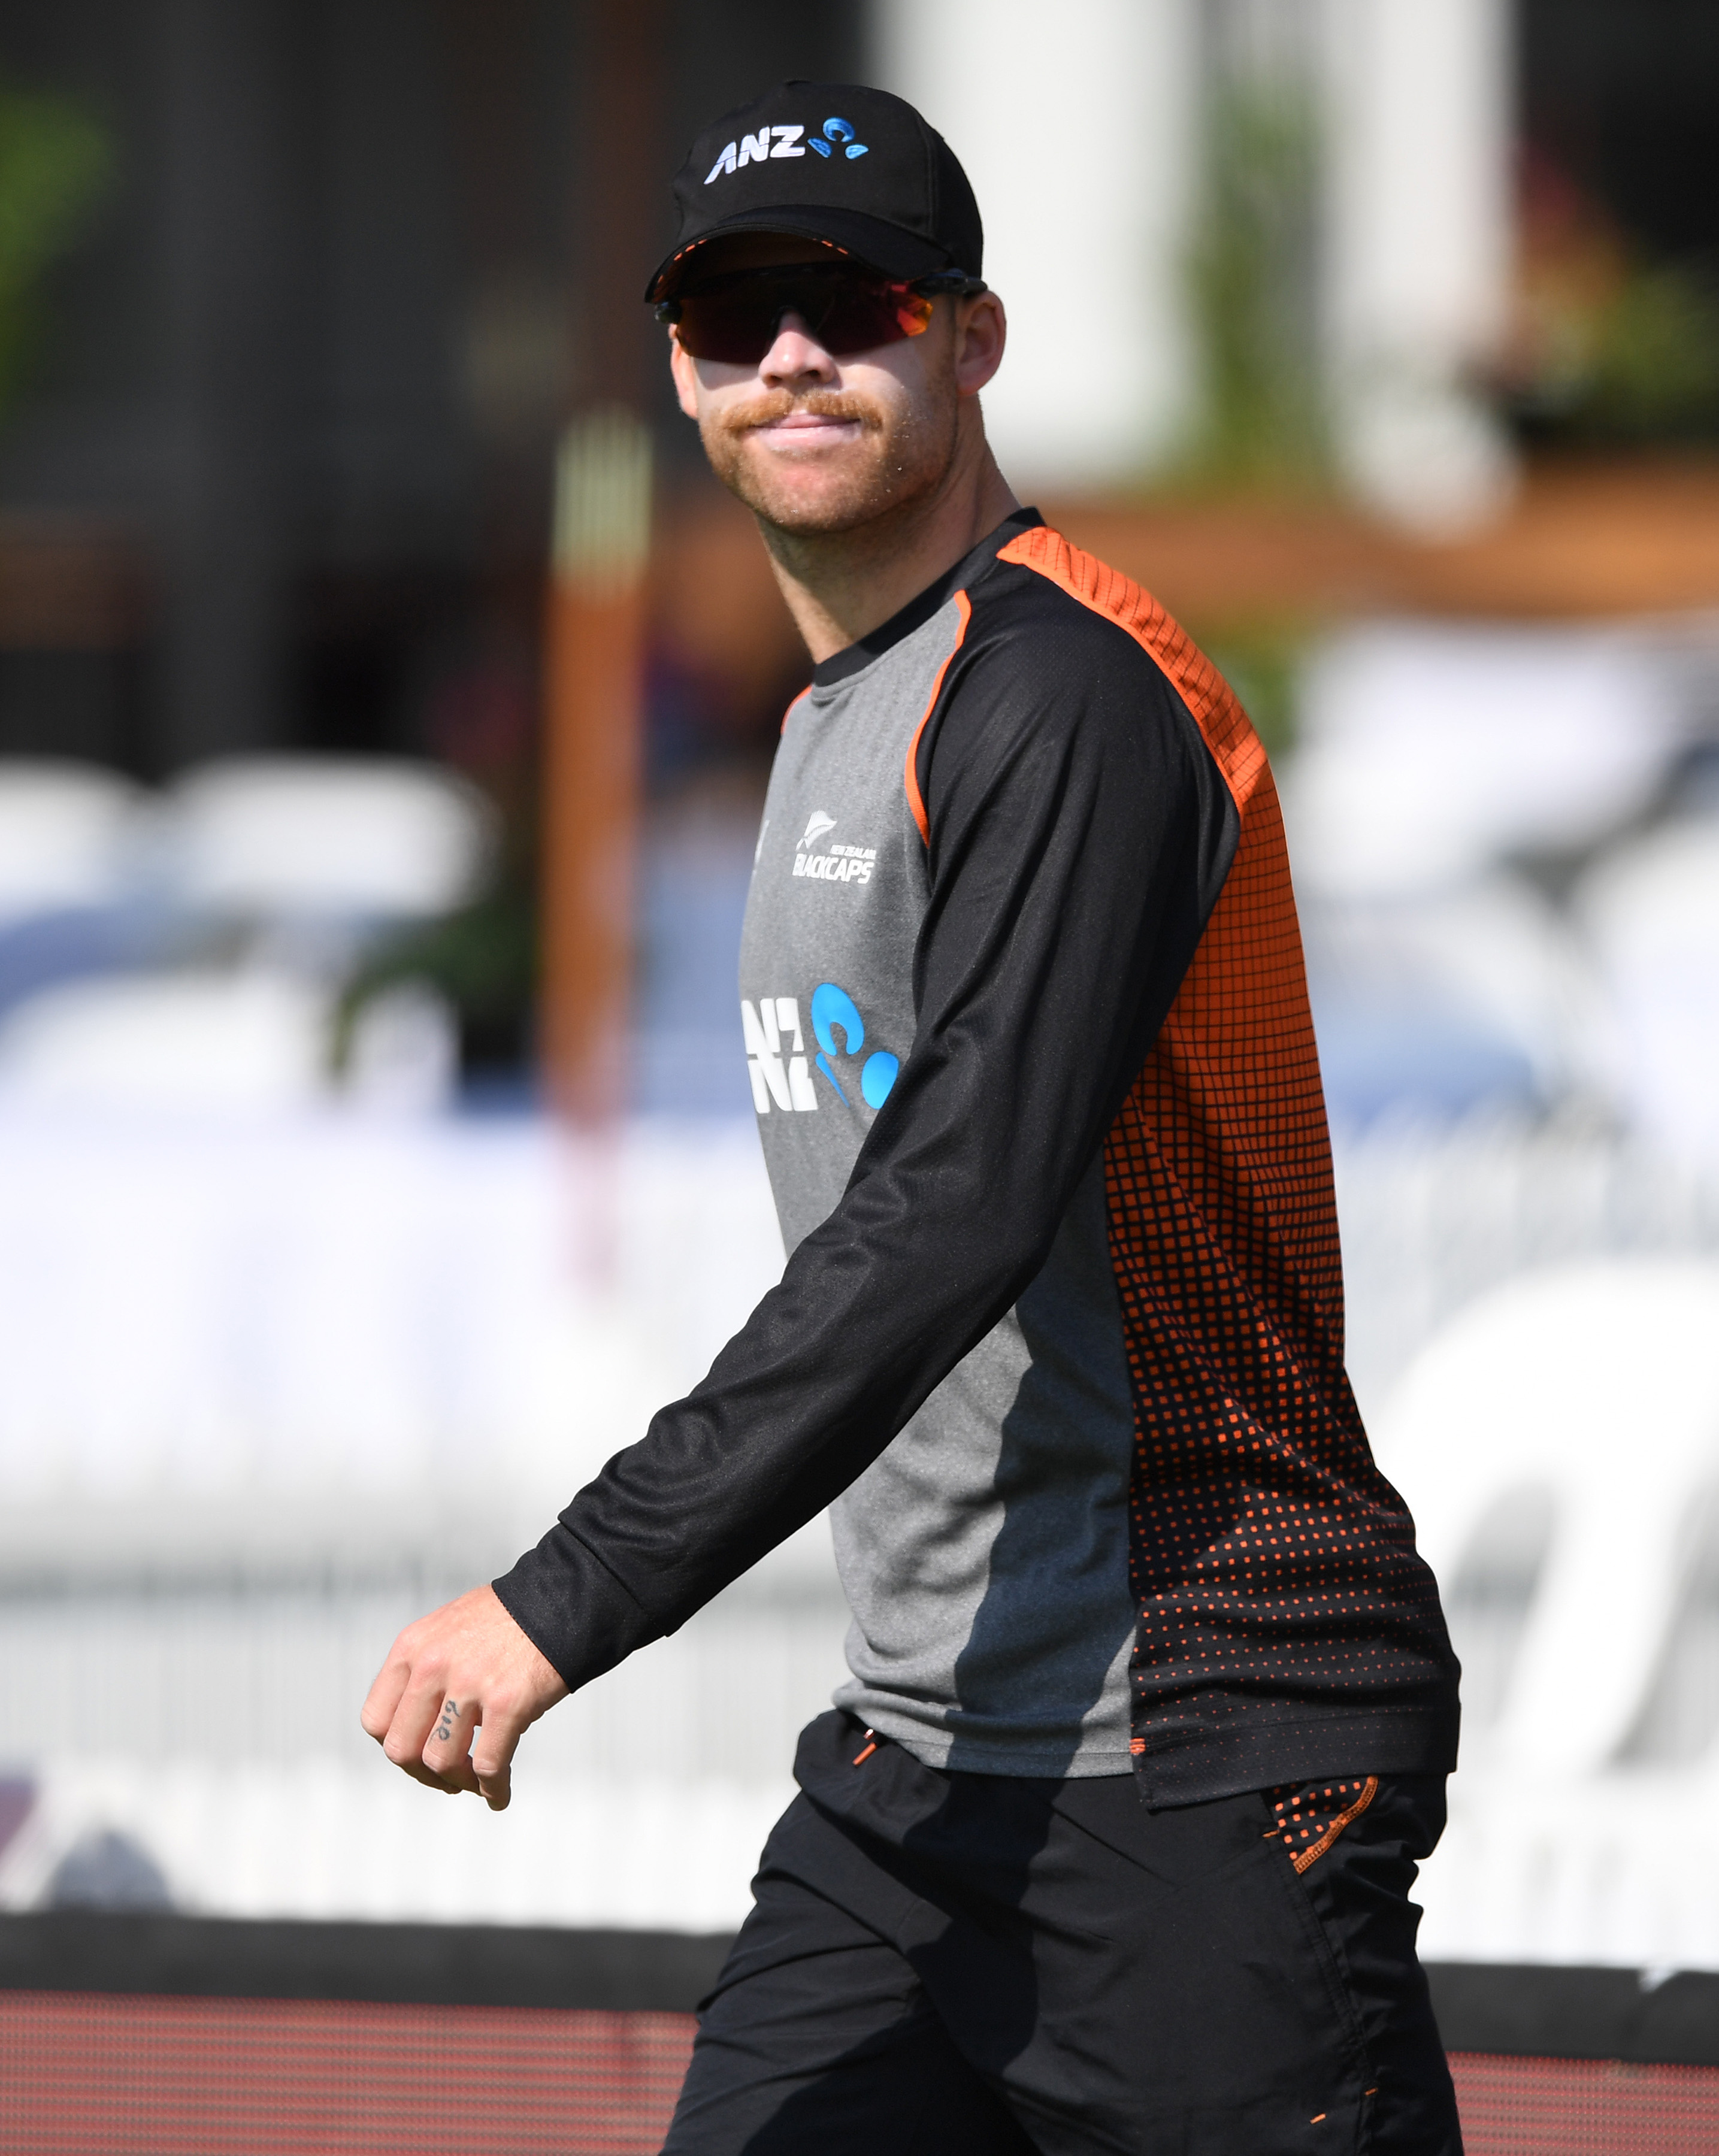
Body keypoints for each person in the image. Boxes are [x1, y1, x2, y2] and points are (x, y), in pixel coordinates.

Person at [362, 80, 1464, 2155]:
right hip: (922, 1767)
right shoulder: (837, 710)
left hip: (1192, 1747)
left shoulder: (1067, 697)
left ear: (973, 339)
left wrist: (565, 1598)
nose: (792, 356)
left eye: (855, 303)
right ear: (679, 375)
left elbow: (952, 1209)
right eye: (733, 315)